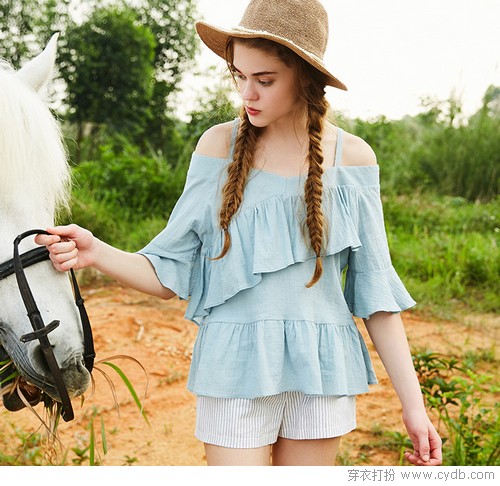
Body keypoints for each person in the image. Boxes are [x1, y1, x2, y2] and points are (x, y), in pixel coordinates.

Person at [36, 0, 442, 466]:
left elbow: (376, 296)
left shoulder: (354, 158)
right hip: (233, 368)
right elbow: (168, 273)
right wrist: (97, 251)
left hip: (322, 369)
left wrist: (415, 409)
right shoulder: (217, 146)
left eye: (264, 80)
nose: (247, 93)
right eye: (239, 76)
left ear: (305, 78)